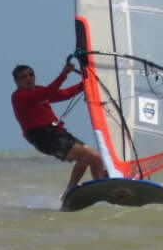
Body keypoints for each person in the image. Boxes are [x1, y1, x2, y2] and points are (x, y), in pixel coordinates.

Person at [11, 61, 105, 199]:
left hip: (58, 133)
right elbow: (47, 93)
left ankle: (103, 189)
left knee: (96, 158)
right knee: (86, 157)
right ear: (16, 81)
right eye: (23, 77)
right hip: (43, 136)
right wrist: (64, 74)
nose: (28, 78)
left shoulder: (39, 90)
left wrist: (86, 83)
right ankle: (68, 192)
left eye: (31, 75)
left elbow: (65, 93)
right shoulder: (19, 96)